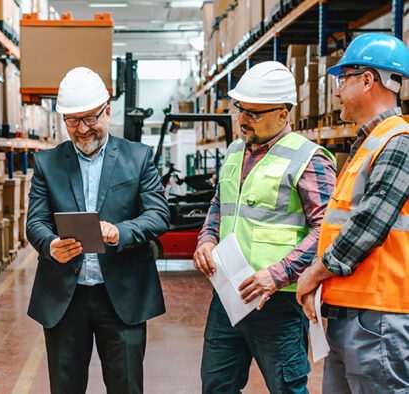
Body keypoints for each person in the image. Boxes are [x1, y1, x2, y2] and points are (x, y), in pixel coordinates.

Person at [193, 61, 337, 393]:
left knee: (286, 388)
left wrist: (277, 274)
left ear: (283, 114)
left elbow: (327, 231)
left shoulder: (308, 159)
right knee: (216, 386)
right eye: (240, 109)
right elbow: (220, 204)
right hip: (228, 296)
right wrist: (206, 239)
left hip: (278, 302)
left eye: (254, 113)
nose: (243, 119)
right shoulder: (233, 152)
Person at [26, 67, 170, 393]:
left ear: (107, 109)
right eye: (73, 121)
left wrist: (120, 232)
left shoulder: (138, 157)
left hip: (122, 296)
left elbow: (158, 215)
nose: (82, 129)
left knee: (126, 387)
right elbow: (35, 222)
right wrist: (50, 245)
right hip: (66, 297)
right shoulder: (48, 163)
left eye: (90, 119)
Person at [296, 33, 409, 393]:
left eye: (343, 79)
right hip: (351, 313)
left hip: (379, 318)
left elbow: (367, 226)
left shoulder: (397, 142)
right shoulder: (367, 145)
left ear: (367, 80)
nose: (337, 90)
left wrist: (313, 274)